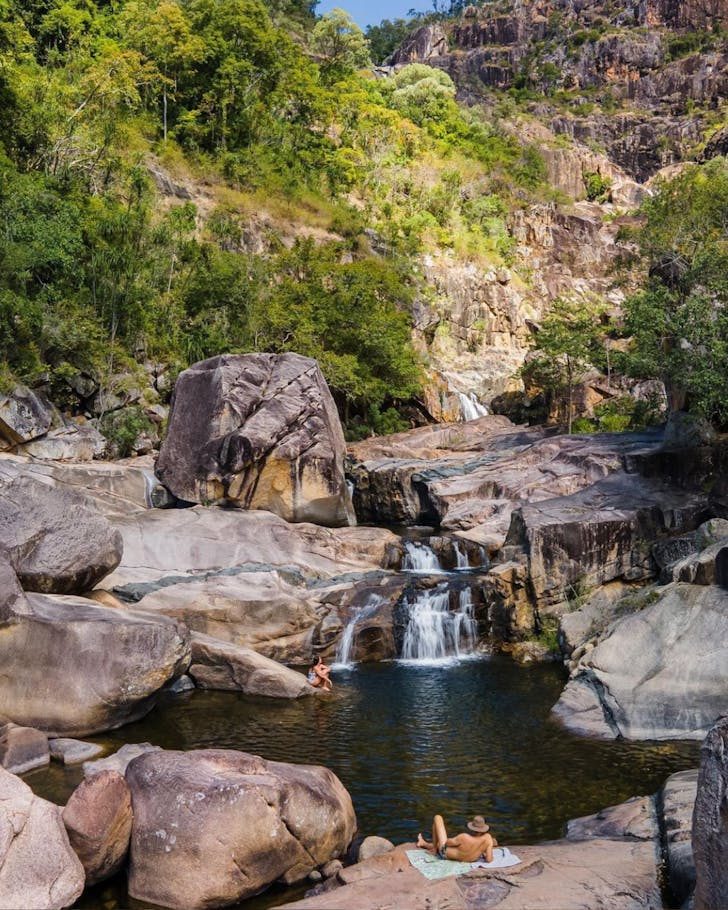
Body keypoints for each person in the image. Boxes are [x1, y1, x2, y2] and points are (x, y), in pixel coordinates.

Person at [417, 815, 497, 863]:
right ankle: (423, 843)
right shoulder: (488, 839)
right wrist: (483, 851)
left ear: (472, 828)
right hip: (470, 859)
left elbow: (447, 843)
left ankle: (434, 850)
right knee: (455, 846)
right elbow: (489, 859)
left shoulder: (464, 837)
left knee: (437, 818)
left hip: (445, 854)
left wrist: (455, 840)